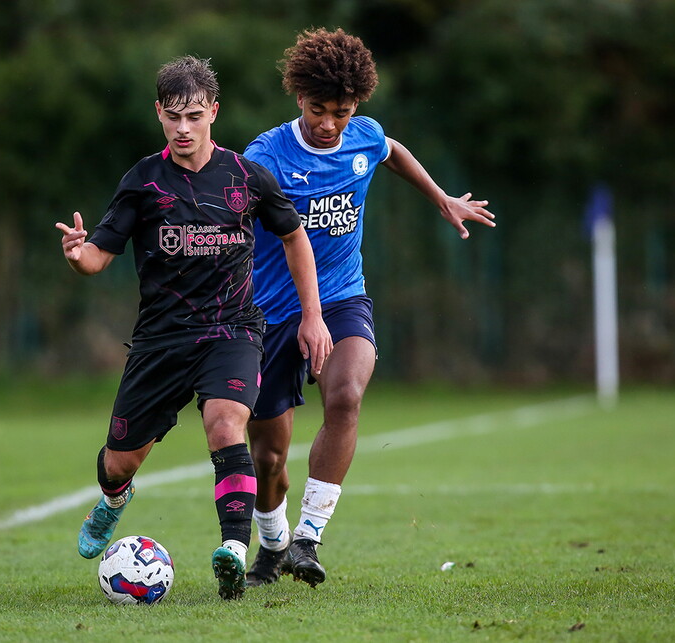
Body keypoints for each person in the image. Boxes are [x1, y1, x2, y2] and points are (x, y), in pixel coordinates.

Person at [55, 56, 332, 600]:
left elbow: (295, 236)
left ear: (214, 113)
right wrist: (74, 254)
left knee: (226, 425)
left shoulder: (246, 177)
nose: (184, 128)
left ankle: (233, 550)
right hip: (161, 340)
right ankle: (113, 501)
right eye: (174, 117)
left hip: (232, 331)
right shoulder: (142, 182)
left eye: (195, 116)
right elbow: (96, 260)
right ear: (159, 113)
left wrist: (313, 314)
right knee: (117, 464)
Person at [243, 28, 496, 588]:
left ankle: (308, 537)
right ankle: (271, 544)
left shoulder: (364, 136)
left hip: (341, 298)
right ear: (297, 98)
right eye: (318, 110)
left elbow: (392, 151)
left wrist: (442, 198)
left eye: (342, 111)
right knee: (267, 461)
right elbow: (261, 231)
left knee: (347, 392)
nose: (330, 124)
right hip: (269, 314)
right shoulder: (265, 156)